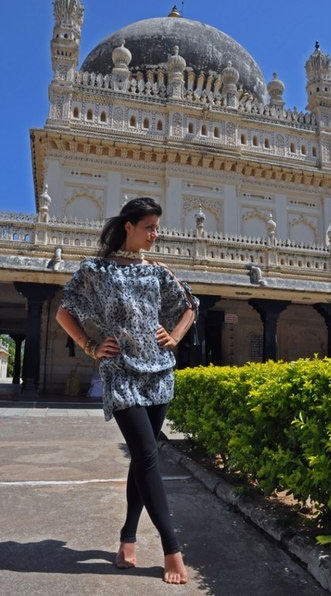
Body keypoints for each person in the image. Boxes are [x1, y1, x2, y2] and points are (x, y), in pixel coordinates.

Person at [56, 197, 199, 584]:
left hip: (159, 372)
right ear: (129, 227)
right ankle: (172, 550)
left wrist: (175, 336)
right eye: (149, 227)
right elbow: (64, 311)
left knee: (142, 457)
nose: (155, 234)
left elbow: (190, 305)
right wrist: (90, 346)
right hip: (121, 373)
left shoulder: (158, 271)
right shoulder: (96, 270)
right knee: (148, 456)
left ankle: (127, 537)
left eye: (157, 228)